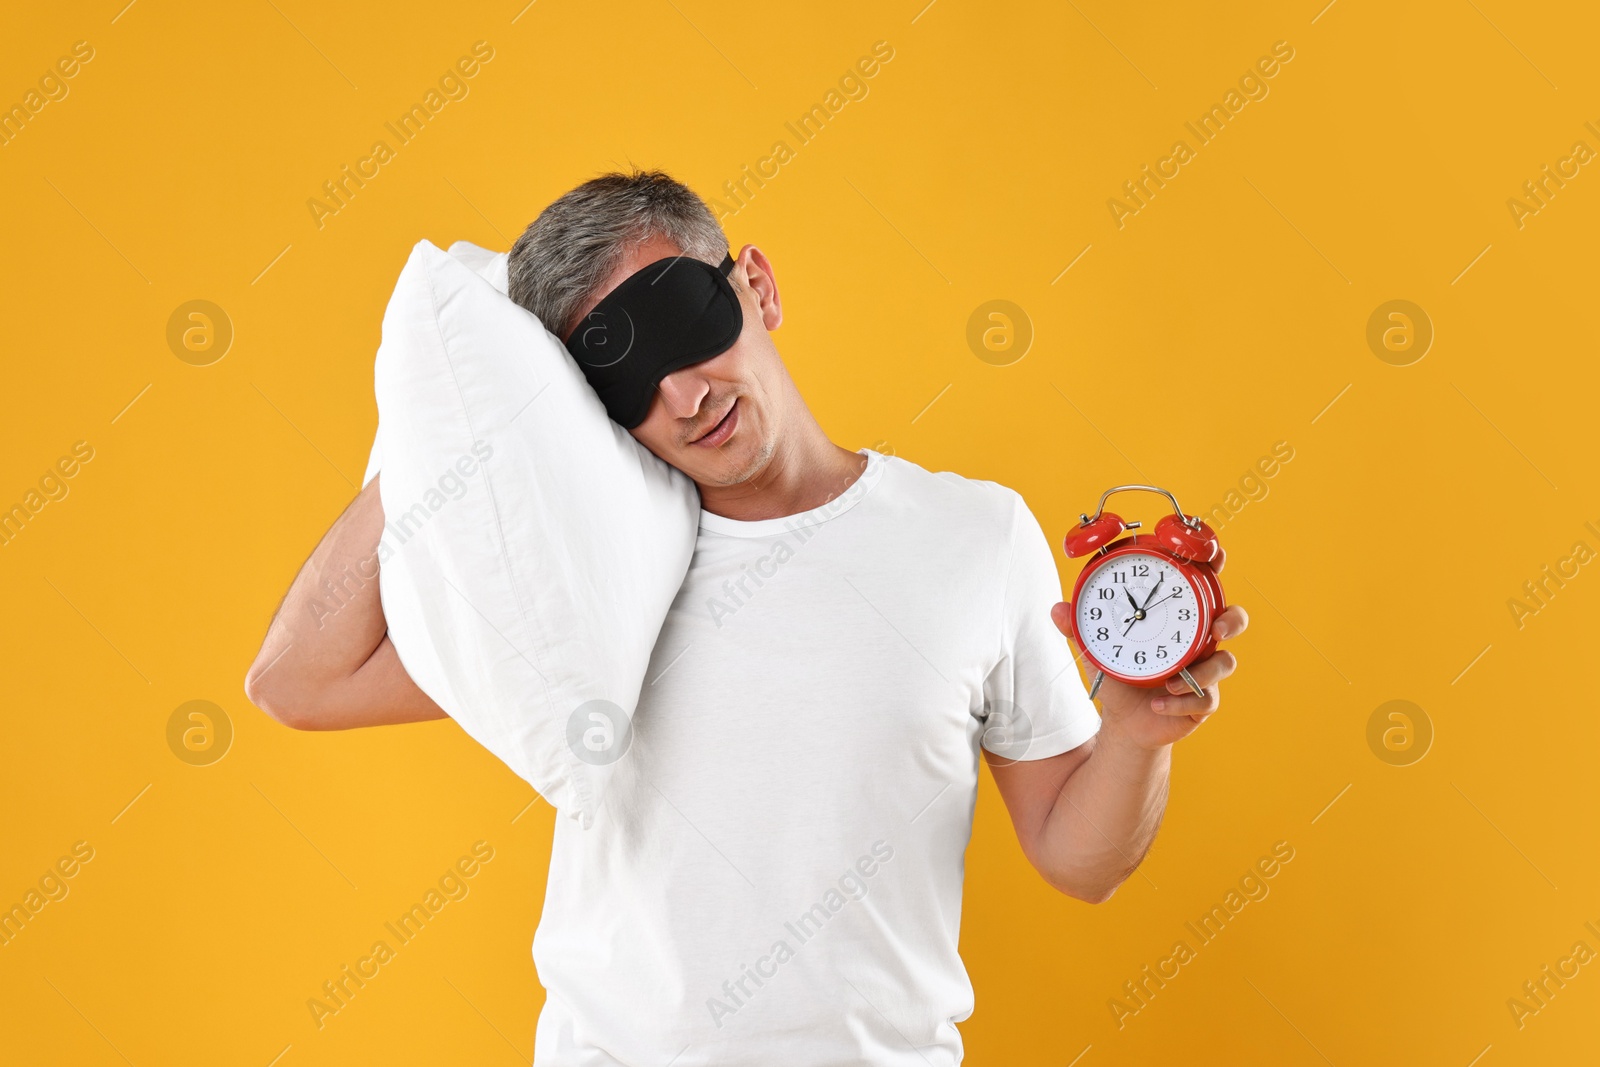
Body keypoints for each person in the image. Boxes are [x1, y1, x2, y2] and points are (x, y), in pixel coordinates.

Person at [245, 169, 1249, 1065]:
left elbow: (1080, 860)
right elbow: (297, 679)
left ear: (756, 286)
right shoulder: (586, 577)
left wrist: (1133, 734)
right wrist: (446, 429)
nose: (682, 393)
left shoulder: (974, 537)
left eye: (682, 321)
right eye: (625, 378)